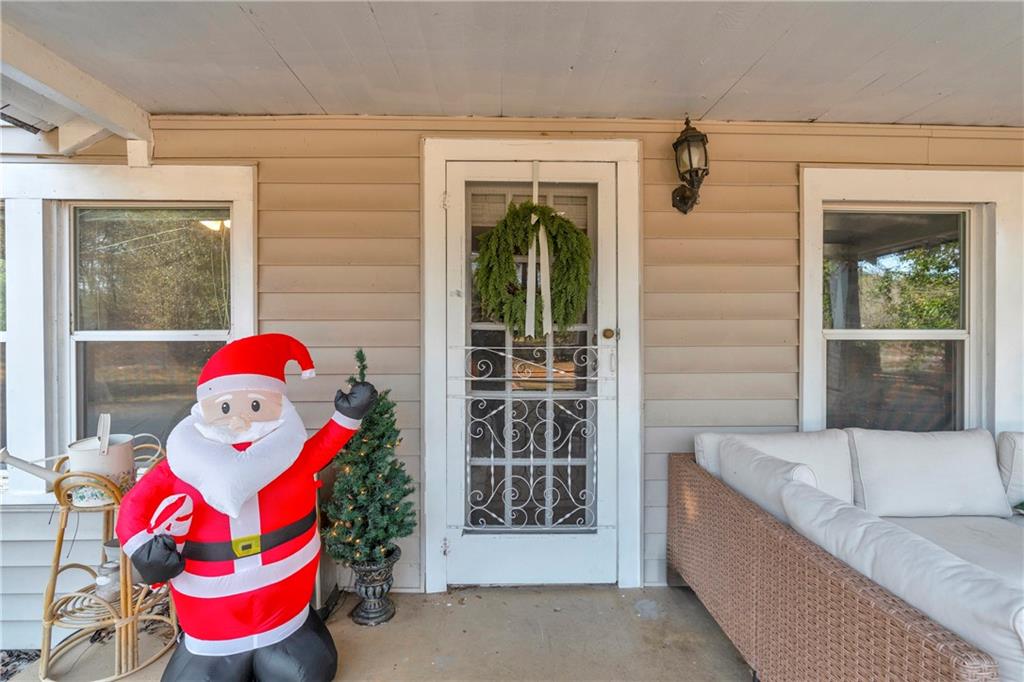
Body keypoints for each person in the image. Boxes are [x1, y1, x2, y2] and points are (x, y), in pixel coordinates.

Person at [116, 333, 376, 682]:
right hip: (212, 627)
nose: (239, 418)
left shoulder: (288, 455)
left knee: (305, 672)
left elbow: (322, 448)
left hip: (284, 617)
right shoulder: (181, 464)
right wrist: (140, 548)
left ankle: (290, 640)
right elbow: (134, 506)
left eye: (255, 405)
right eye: (225, 406)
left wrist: (347, 417)